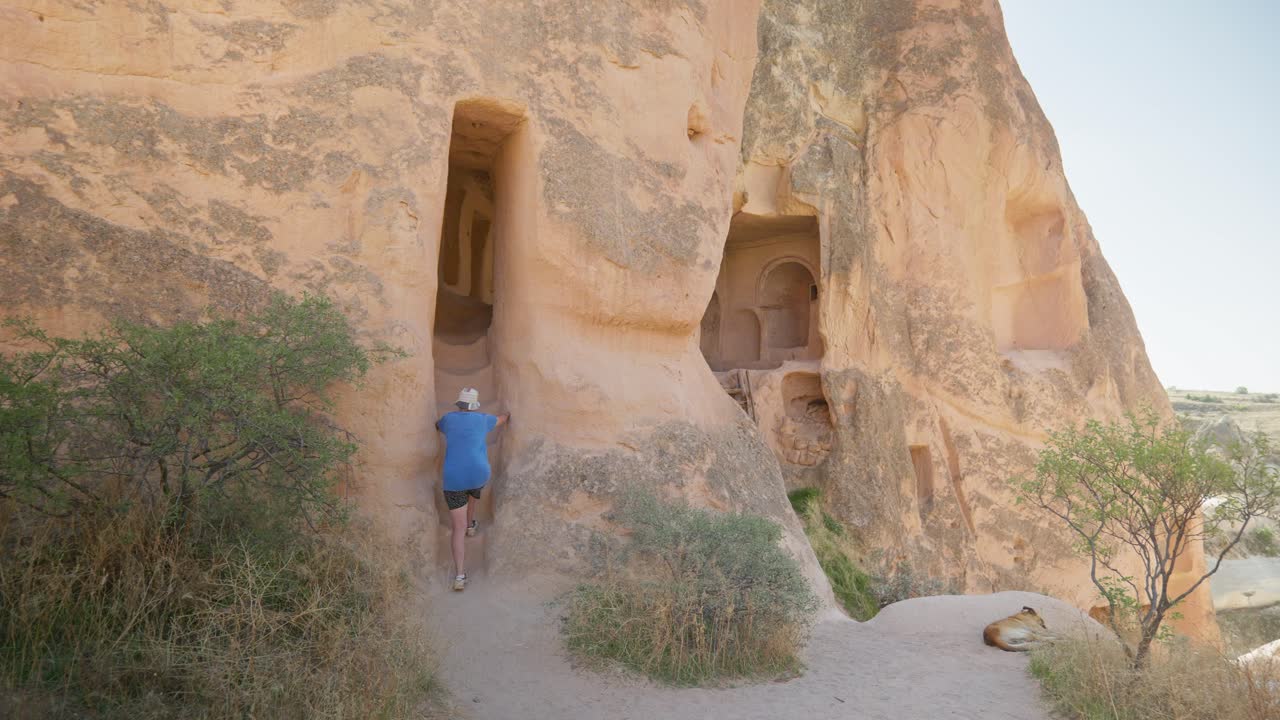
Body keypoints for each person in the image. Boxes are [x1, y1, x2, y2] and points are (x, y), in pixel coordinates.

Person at [435, 387, 508, 591]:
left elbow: (437, 426)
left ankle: (459, 576)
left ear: (459, 404)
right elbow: (502, 419)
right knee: (474, 488)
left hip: (454, 478)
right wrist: (508, 414)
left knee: (456, 529)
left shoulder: (448, 419)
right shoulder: (483, 420)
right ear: (474, 406)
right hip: (478, 474)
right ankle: (471, 524)